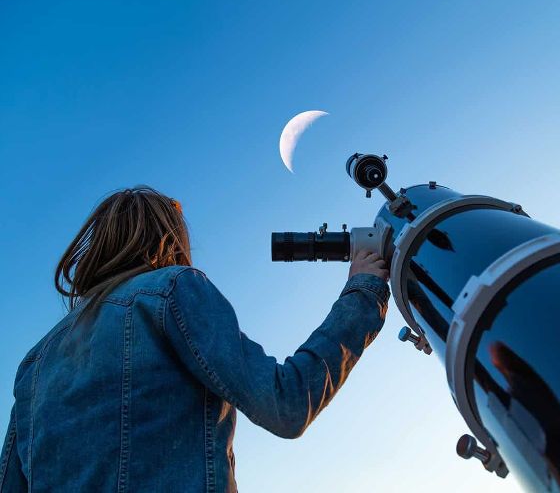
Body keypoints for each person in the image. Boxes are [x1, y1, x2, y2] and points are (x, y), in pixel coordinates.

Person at [0, 187, 389, 492]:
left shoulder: (34, 363)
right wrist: (364, 288)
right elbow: (285, 403)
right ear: (168, 238)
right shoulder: (172, 290)